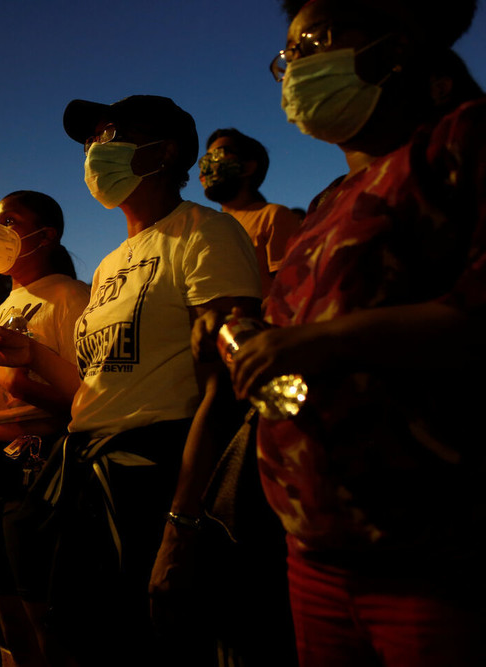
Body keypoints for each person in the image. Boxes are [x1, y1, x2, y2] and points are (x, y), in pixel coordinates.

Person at [203, 1, 486, 665]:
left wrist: (321, 343)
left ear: (395, 45)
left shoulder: (461, 140)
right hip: (317, 551)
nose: (295, 66)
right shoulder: (331, 200)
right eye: (288, 56)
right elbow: (298, 323)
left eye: (313, 42)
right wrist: (246, 330)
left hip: (429, 554)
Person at [0, 96, 262, 665]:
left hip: (156, 475)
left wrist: (182, 522)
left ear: (164, 152)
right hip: (89, 475)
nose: (95, 151)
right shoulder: (109, 265)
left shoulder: (205, 234)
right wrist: (29, 354)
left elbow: (225, 386)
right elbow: (93, 390)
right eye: (91, 140)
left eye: (111, 135)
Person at [0, 190, 90, 667]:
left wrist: (19, 385)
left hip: (38, 471)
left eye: (9, 221)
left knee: (43, 610)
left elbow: (84, 400)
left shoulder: (70, 298)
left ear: (46, 235)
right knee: (6, 605)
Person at [198, 128, 300, 293]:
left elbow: (292, 288)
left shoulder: (273, 217)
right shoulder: (206, 228)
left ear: (248, 167)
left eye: (217, 155)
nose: (206, 166)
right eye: (205, 159)